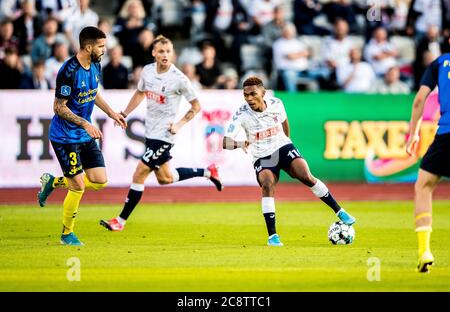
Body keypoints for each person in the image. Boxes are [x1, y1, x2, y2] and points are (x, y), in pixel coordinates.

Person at [100, 35, 223, 232]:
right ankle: (208, 172)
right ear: (154, 53)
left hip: (165, 136)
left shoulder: (179, 79)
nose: (165, 55)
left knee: (139, 173)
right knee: (165, 178)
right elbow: (140, 93)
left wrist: (179, 124)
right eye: (161, 51)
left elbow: (196, 106)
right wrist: (124, 113)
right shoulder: (148, 71)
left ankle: (120, 221)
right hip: (150, 133)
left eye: (168, 51)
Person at [223, 76, 356, 246]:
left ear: (263, 93)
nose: (249, 98)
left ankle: (340, 212)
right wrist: (240, 143)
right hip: (263, 156)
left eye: (253, 94)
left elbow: (285, 122)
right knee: (267, 184)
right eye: (246, 95)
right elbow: (225, 142)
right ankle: (273, 236)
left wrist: (287, 141)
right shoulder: (241, 114)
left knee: (306, 176)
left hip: (282, 146)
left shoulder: (276, 104)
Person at [36, 26, 127, 246]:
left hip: (83, 134)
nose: (104, 50)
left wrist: (112, 113)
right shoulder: (68, 71)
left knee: (100, 181)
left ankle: (53, 182)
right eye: (101, 46)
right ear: (88, 47)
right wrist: (85, 123)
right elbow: (59, 107)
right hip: (65, 137)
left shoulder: (95, 64)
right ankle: (67, 233)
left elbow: (93, 93)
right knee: (78, 186)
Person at [405, 37, 450, 273]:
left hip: (446, 135)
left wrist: (414, 134)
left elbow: (420, 99)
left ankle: (424, 251)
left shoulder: (440, 63)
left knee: (423, 186)